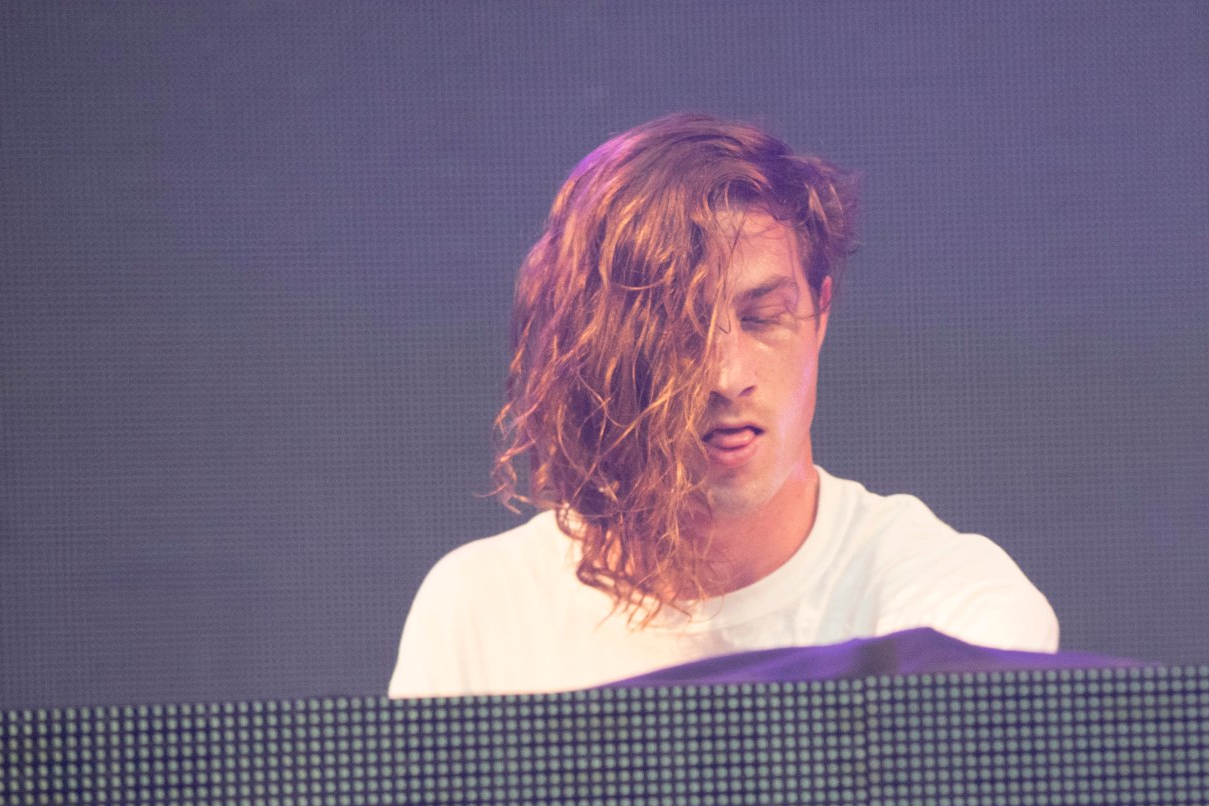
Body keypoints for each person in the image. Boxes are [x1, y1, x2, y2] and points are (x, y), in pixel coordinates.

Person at [389, 114, 1057, 697]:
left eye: (763, 318)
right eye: (679, 331)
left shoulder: (953, 612)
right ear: (598, 348)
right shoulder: (481, 611)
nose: (728, 377)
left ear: (820, 315)